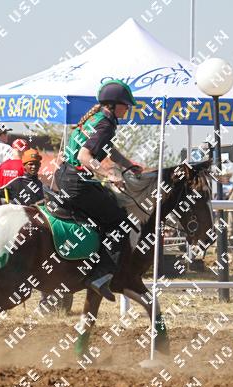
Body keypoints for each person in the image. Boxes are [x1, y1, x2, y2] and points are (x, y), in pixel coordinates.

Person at [53, 79, 143, 301]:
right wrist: (108, 174)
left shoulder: (97, 119)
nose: (127, 108)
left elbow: (107, 148)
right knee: (120, 221)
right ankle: (100, 275)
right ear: (113, 104)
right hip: (76, 182)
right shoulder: (105, 124)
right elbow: (85, 157)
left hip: (65, 176)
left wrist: (128, 165)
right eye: (125, 104)